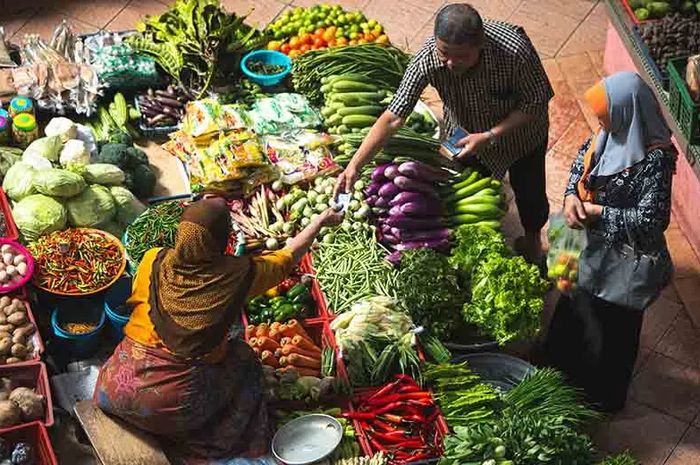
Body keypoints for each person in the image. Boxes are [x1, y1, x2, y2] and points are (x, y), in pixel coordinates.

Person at [93, 197, 343, 460]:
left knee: (220, 345)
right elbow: (287, 258)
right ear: (222, 240)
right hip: (168, 408)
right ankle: (216, 439)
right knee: (243, 357)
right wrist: (318, 223)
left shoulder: (152, 259)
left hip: (113, 389)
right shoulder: (236, 275)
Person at [334, 3, 554, 263]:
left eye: (460, 56)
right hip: (463, 131)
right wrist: (354, 166)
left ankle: (532, 245)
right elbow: (393, 116)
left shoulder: (513, 49)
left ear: (480, 44)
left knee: (531, 195)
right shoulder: (427, 58)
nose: (449, 62)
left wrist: (490, 136)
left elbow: (535, 103)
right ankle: (486, 236)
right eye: (444, 53)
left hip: (522, 136)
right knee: (466, 184)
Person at [545, 71, 676, 413]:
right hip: (585, 245)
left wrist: (599, 213)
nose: (600, 124)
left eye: (605, 116)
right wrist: (572, 196)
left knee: (613, 327)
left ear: (627, 112)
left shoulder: (656, 159)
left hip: (621, 258)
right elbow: (579, 166)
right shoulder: (609, 134)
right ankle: (558, 371)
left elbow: (652, 221)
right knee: (573, 302)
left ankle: (603, 395)